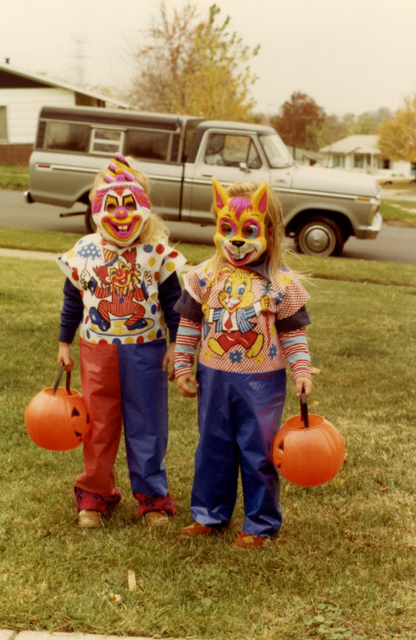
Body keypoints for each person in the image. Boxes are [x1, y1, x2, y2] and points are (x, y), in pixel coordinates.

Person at [174, 177, 313, 549]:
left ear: (268, 229)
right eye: (227, 229)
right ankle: (209, 514)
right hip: (214, 379)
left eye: (248, 230)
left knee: (260, 451)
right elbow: (189, 324)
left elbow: (293, 334)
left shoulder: (280, 284)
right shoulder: (204, 276)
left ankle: (260, 522)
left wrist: (300, 370)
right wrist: (183, 366)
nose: (237, 239)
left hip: (262, 383)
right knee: (212, 447)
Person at [57, 153, 186, 528]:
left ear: (143, 206)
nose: (121, 213)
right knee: (98, 424)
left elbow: (174, 304)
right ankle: (95, 496)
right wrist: (65, 342)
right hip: (97, 351)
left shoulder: (156, 254)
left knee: (147, 424)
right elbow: (71, 300)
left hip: (146, 351)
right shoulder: (84, 251)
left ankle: (152, 499)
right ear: (98, 208)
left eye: (129, 204)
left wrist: (177, 345)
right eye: (111, 205)